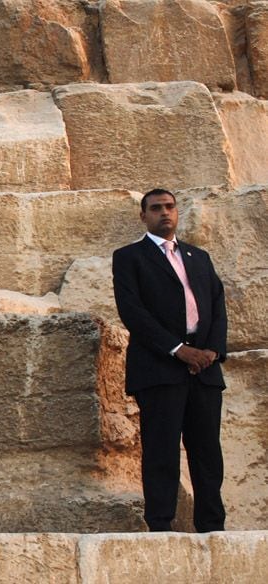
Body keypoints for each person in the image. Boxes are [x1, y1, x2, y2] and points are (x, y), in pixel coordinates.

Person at [112, 188, 228, 533]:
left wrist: (212, 351)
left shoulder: (199, 257)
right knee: (161, 452)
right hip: (160, 369)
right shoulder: (129, 257)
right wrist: (178, 349)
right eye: (156, 208)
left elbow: (217, 305)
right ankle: (161, 526)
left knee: (208, 454)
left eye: (170, 207)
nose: (165, 213)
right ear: (143, 215)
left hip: (204, 369)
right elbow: (133, 312)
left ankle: (212, 527)